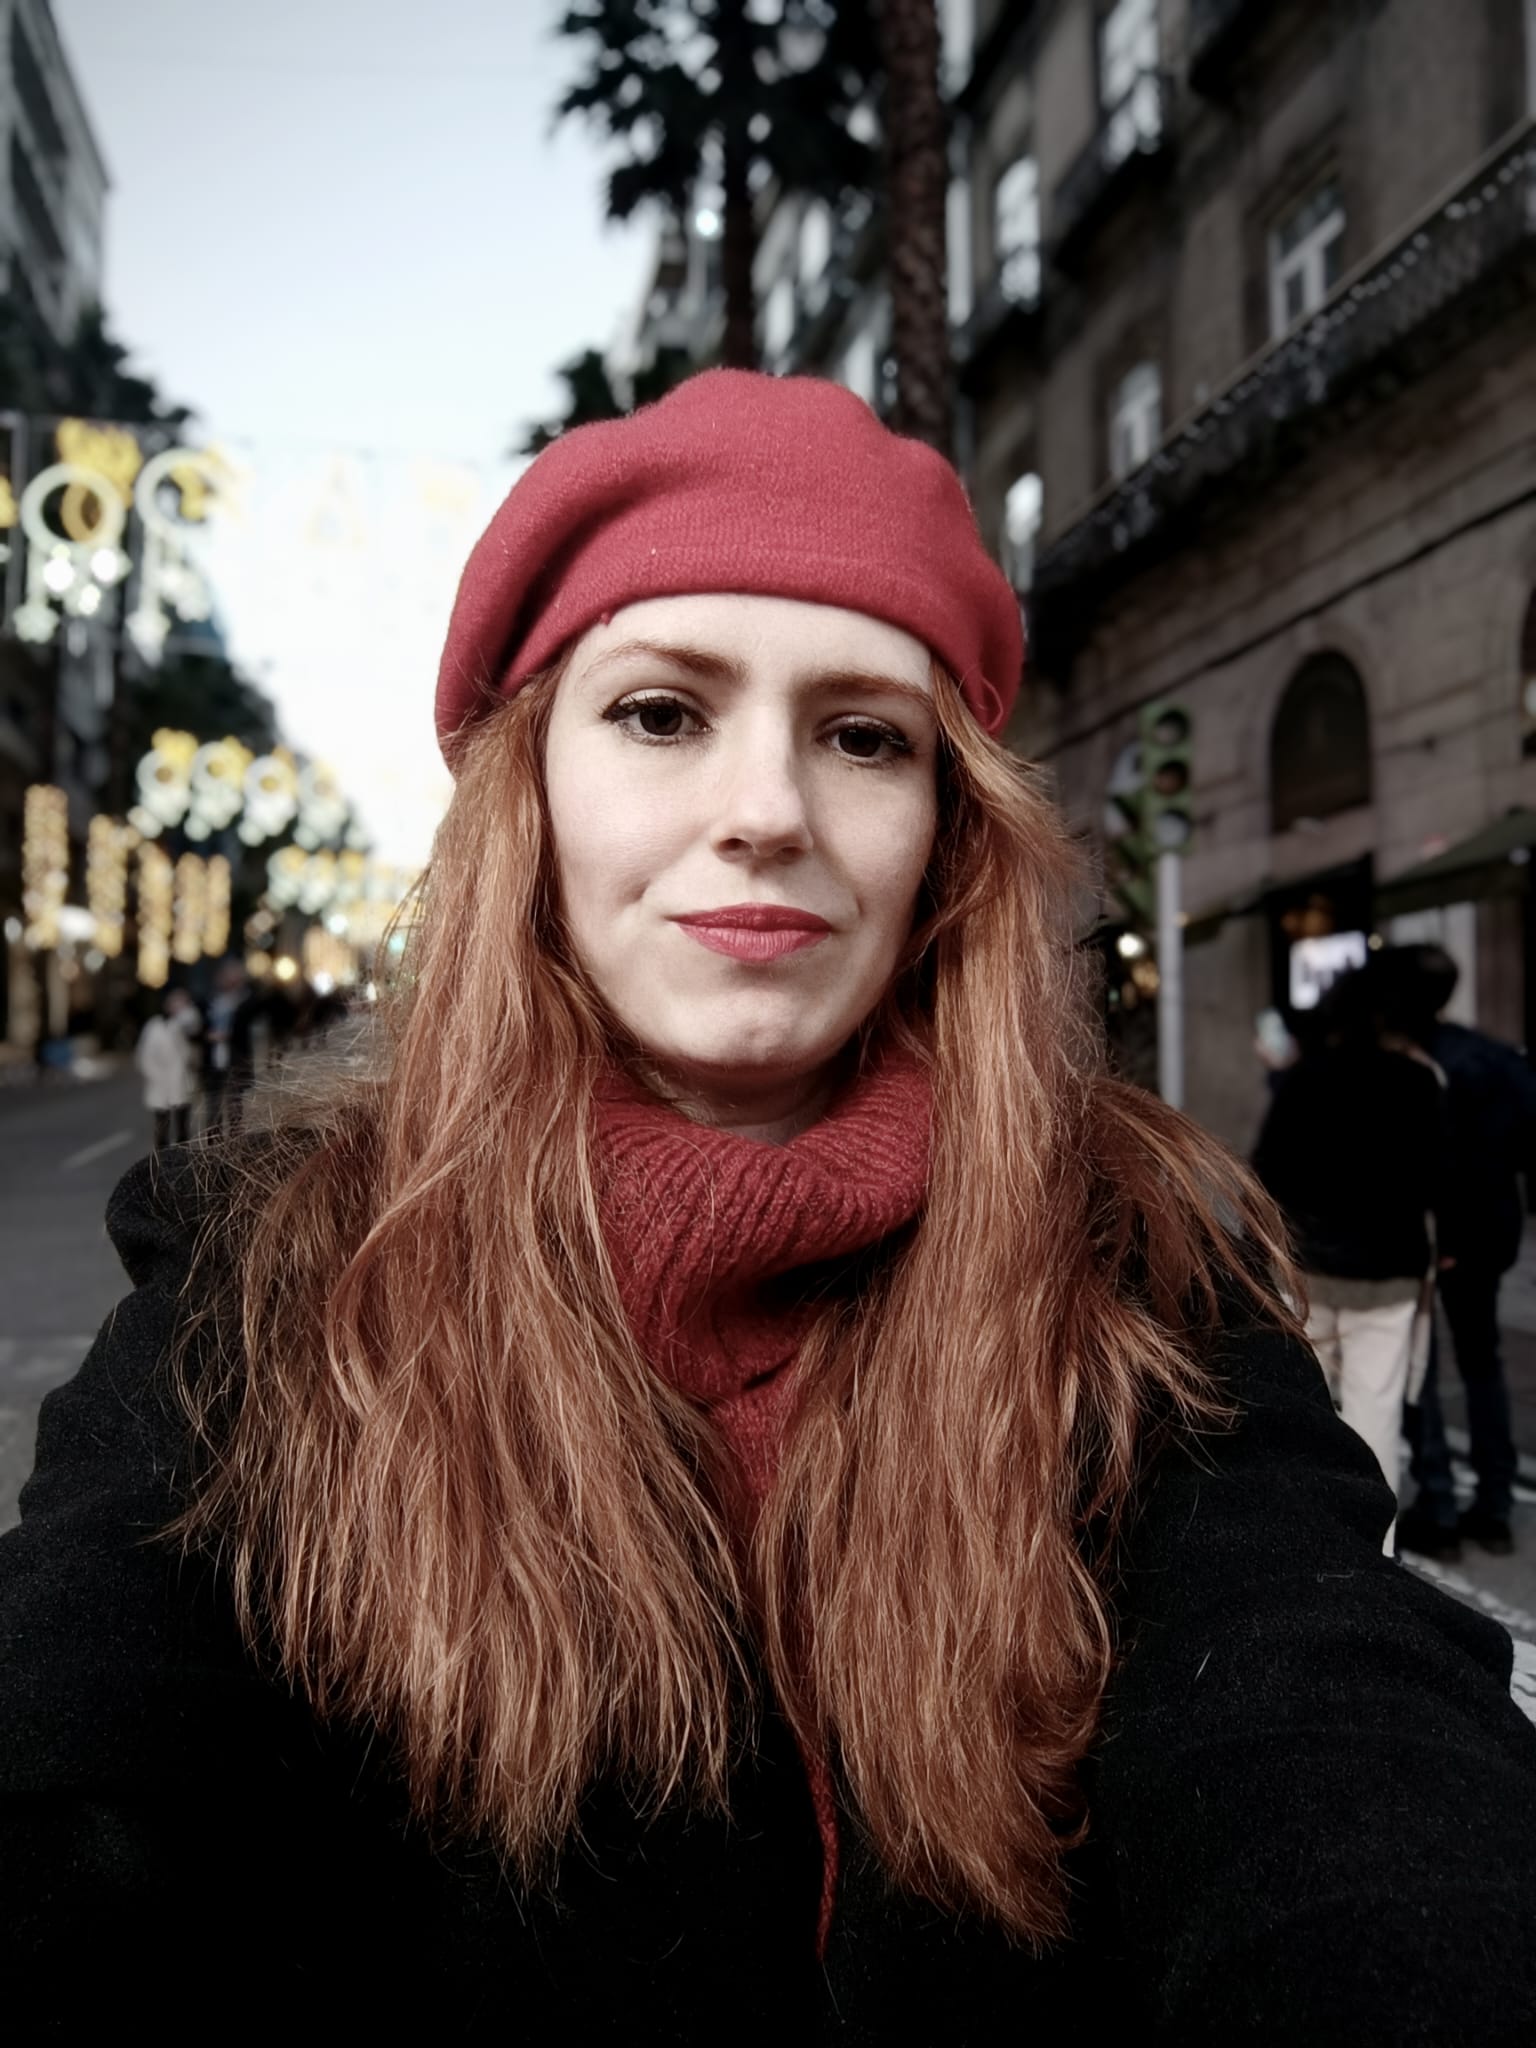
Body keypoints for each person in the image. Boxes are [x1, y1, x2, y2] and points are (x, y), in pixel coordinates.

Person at [3, 372, 1535, 2039]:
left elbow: (1322, 1724)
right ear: (530, 795)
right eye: (662, 712)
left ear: (948, 830)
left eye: (862, 735)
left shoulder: (1138, 1262)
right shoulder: (265, 1272)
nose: (765, 811)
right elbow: (85, 1735)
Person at [1252, 967, 1445, 1515]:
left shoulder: (1306, 1078)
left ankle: (1313, 1539)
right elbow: (1435, 1180)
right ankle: (1375, 1557)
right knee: (1376, 1414)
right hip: (1388, 1273)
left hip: (1310, 1269)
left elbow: (1268, 1174)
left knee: (1307, 1411)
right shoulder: (1418, 1082)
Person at [1381, 943, 1536, 1560]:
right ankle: (1493, 1506)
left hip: (1433, 1234)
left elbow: (1423, 1160)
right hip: (1490, 1231)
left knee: (1420, 1366)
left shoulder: (1417, 1065)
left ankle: (1440, 1505)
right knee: (1482, 1363)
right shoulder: (1495, 1057)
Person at [132, 987, 200, 1152]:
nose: (176, 1005)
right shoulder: (154, 1025)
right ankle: (161, 1159)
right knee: (162, 1125)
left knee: (183, 1126)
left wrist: (184, 1010)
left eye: (182, 1001)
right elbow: (144, 1054)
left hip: (181, 1081)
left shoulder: (184, 1023)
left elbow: (192, 1025)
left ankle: (183, 1158)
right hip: (160, 1081)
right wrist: (154, 1075)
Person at [200, 959, 257, 1130]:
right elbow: (200, 1027)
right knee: (213, 1107)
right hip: (214, 1059)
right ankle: (213, 1145)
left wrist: (229, 1035)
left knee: (234, 1105)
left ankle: (233, 1144)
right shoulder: (210, 1001)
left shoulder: (245, 1000)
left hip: (236, 1057)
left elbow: (248, 1020)